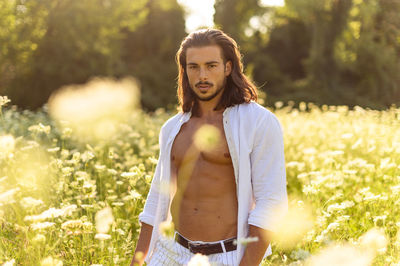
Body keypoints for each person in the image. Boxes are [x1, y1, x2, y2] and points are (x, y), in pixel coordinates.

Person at [130, 28, 288, 266]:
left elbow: (271, 203)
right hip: (172, 253)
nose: (202, 75)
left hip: (230, 256)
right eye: (193, 67)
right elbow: (156, 201)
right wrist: (138, 262)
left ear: (228, 67)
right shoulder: (172, 128)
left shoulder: (258, 122)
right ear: (185, 70)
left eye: (211, 65)